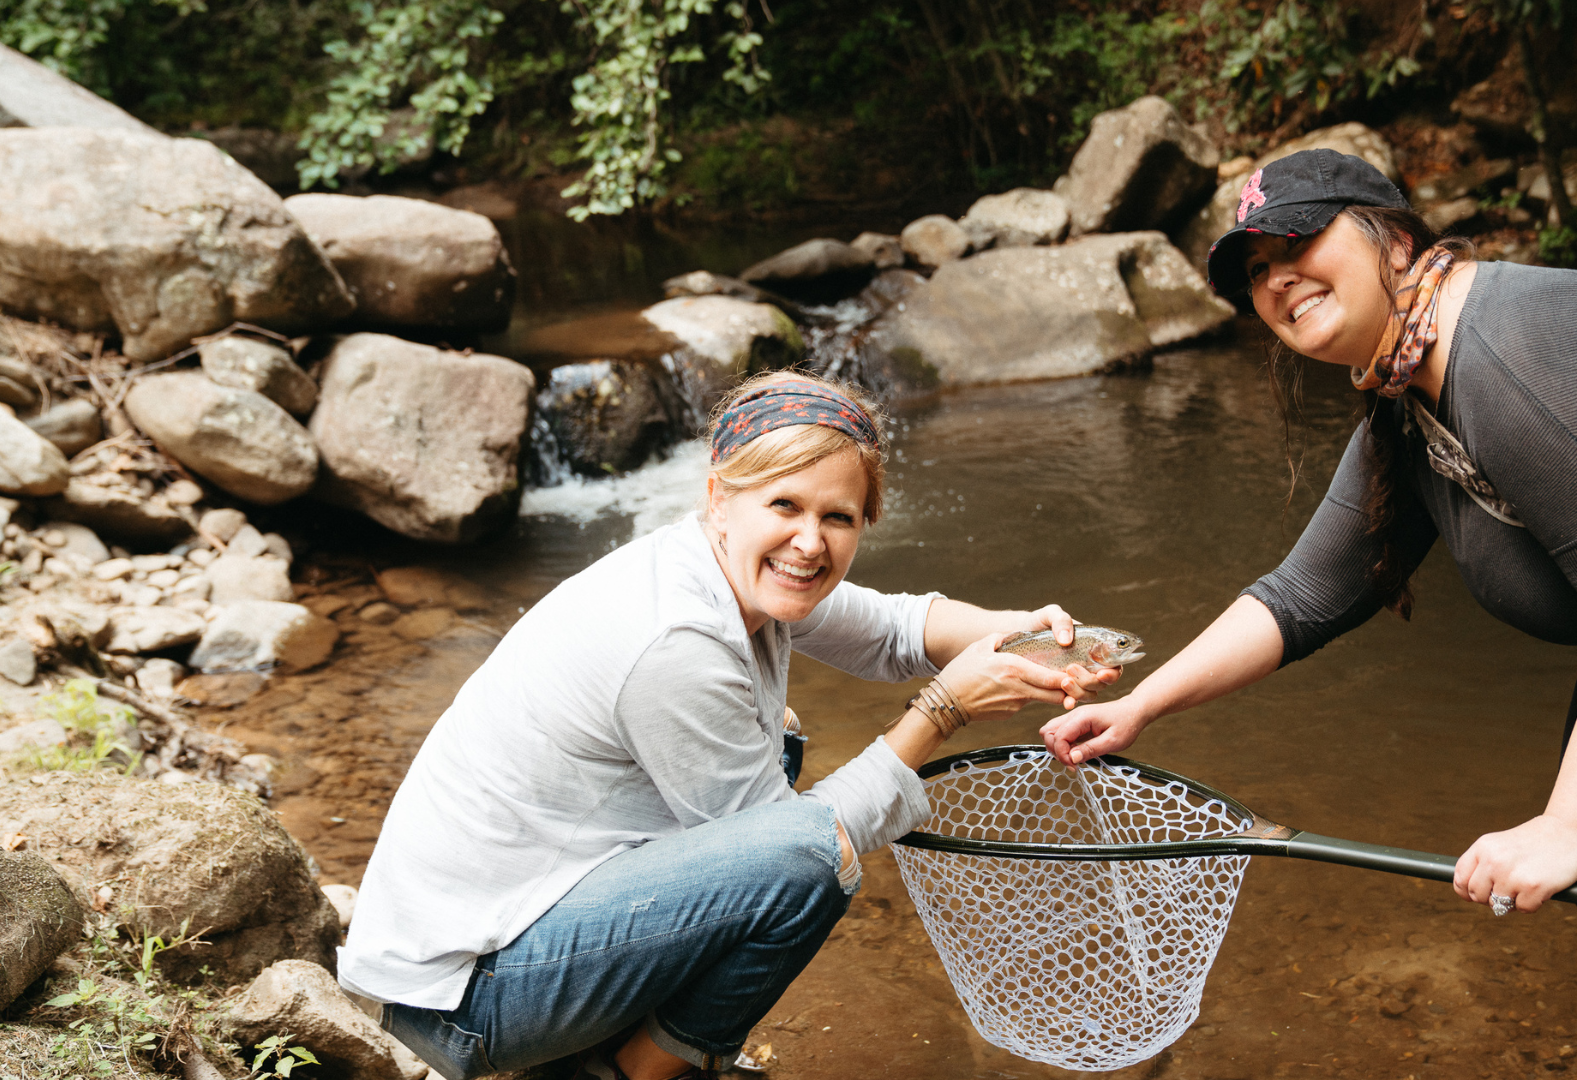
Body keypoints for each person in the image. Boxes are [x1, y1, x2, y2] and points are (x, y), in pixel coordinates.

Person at [1040, 148, 1577, 1079]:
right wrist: (1142, 706)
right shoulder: (1405, 392)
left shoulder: (1504, 342)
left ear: (1395, 237)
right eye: (1254, 270)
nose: (1276, 275)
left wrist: (1565, 825)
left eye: (1300, 238)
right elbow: (1306, 593)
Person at [339, 371, 1119, 1080]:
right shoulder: (675, 638)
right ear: (720, 496)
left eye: (838, 518)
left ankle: (627, 1042)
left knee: (778, 745)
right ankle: (624, 1073)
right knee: (809, 859)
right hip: (465, 1001)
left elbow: (892, 629)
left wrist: (1026, 633)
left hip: (511, 937)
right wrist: (943, 708)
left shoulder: (724, 567)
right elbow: (797, 851)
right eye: (785, 506)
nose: (810, 542)